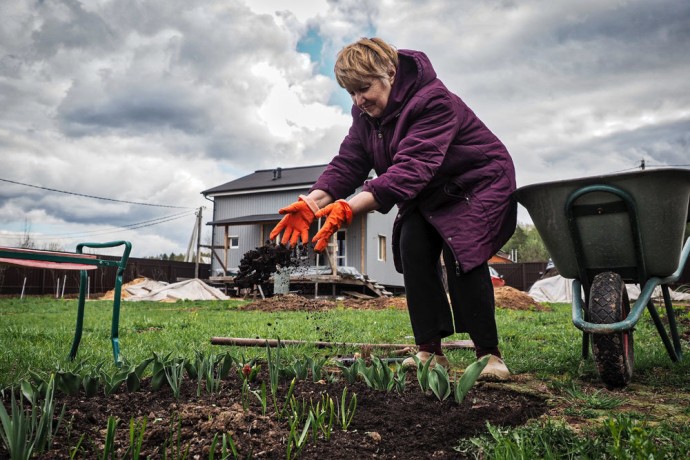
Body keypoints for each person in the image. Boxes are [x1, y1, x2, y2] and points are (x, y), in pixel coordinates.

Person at [270, 37, 516, 380]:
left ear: (389, 71)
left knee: (463, 251)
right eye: (351, 92)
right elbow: (349, 162)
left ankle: (489, 354)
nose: (359, 100)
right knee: (411, 244)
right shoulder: (366, 115)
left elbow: (411, 169)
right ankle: (430, 352)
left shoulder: (434, 101)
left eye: (364, 88)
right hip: (428, 190)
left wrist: (349, 207)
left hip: (477, 181)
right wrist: (312, 202)